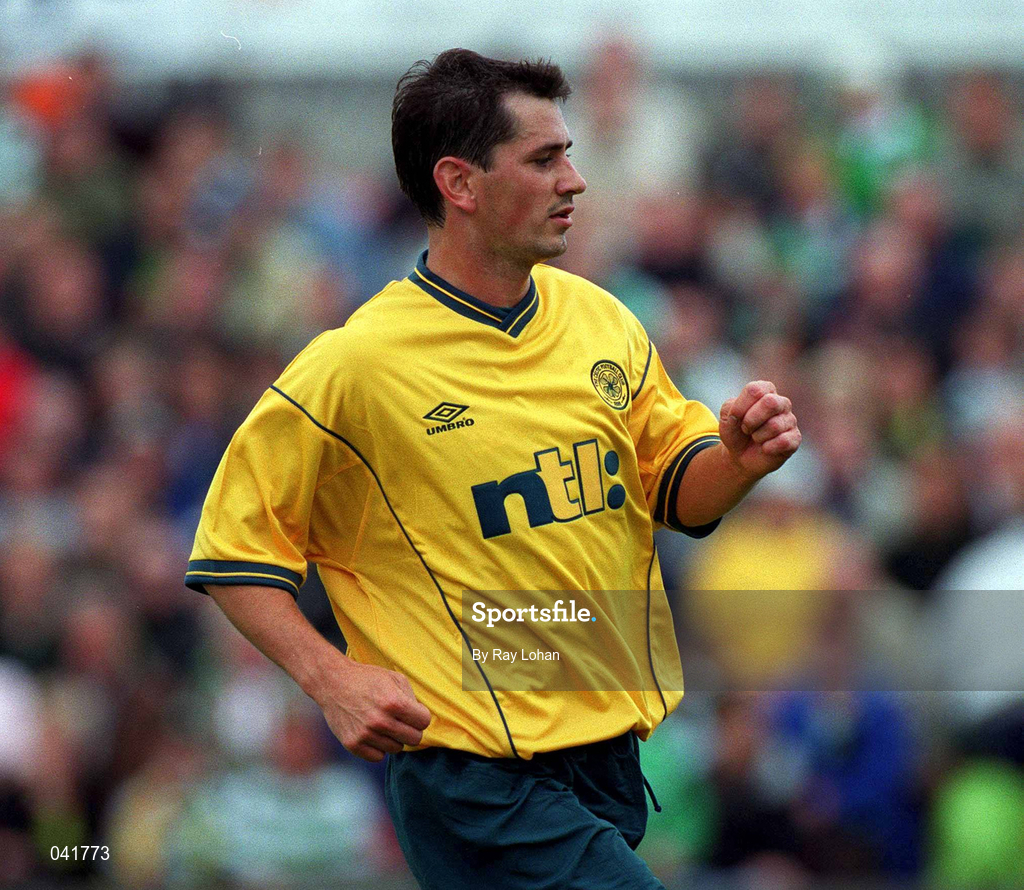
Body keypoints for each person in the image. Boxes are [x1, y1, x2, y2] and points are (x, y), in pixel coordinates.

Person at [184, 49, 800, 890]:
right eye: (544, 159)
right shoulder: (355, 366)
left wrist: (736, 461)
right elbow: (230, 554)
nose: (575, 180)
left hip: (607, 756)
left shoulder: (602, 318)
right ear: (460, 184)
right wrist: (331, 680)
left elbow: (673, 489)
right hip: (474, 775)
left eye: (569, 154)